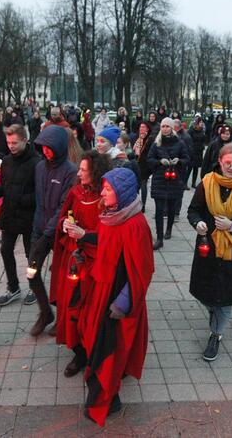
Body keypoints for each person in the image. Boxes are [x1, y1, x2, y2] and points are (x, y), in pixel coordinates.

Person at [81, 167, 154, 426]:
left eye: (109, 189)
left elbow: (142, 270)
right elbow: (104, 242)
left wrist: (122, 303)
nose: (103, 192)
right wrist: (82, 239)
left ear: (121, 192)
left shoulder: (135, 224)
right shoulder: (112, 215)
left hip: (118, 299)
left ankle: (105, 400)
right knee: (99, 345)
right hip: (102, 291)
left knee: (108, 351)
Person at [187, 143, 232, 361]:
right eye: (227, 163)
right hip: (208, 247)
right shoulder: (207, 183)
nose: (231, 167)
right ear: (220, 162)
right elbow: (193, 210)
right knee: (207, 294)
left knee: (225, 297)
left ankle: (216, 335)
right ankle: (214, 313)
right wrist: (198, 222)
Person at [52, 150, 111, 377]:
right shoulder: (76, 192)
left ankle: (90, 351)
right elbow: (62, 217)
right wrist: (64, 225)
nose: (79, 173)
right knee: (70, 308)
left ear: (94, 173)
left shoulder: (106, 198)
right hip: (73, 260)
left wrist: (84, 233)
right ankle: (78, 350)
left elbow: (109, 234)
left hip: (96, 264)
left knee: (91, 312)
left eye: (83, 170)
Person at [28, 125, 77, 336]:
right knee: (32, 273)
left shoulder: (70, 171)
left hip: (58, 232)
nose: (46, 152)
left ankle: (62, 317)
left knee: (61, 278)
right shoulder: (39, 167)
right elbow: (38, 200)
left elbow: (63, 207)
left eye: (50, 148)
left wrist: (48, 233)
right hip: (39, 228)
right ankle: (45, 312)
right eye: (42, 147)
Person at [0, 124, 41, 307]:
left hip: (28, 216)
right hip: (10, 214)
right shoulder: (8, 162)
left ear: (25, 141)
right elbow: (5, 186)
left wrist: (19, 198)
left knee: (30, 254)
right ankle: (13, 287)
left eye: (15, 142)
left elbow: (40, 194)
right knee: (5, 250)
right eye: (8, 142)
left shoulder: (37, 163)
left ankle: (34, 287)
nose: (11, 146)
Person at [147, 117, 189, 249]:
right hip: (160, 180)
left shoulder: (180, 143)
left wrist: (179, 161)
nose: (165, 129)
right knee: (159, 210)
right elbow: (149, 159)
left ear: (172, 128)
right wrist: (159, 162)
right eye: (163, 126)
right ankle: (159, 238)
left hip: (174, 180)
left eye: (167, 126)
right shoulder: (156, 143)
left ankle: (169, 228)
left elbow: (187, 159)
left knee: (171, 208)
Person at [132, 122, 154, 213]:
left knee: (143, 184)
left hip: (145, 165)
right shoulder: (138, 138)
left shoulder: (150, 139)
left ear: (147, 129)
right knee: (136, 184)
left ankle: (143, 205)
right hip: (137, 163)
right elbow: (134, 150)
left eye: (143, 127)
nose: (141, 128)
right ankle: (136, 203)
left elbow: (150, 152)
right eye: (140, 127)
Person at [189, 115, 206, 187]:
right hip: (192, 151)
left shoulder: (202, 130)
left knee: (196, 168)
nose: (202, 123)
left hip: (199, 151)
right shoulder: (192, 129)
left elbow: (203, 140)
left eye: (202, 122)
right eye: (200, 122)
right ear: (197, 122)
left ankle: (193, 183)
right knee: (190, 167)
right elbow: (189, 139)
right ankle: (184, 183)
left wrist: (202, 146)